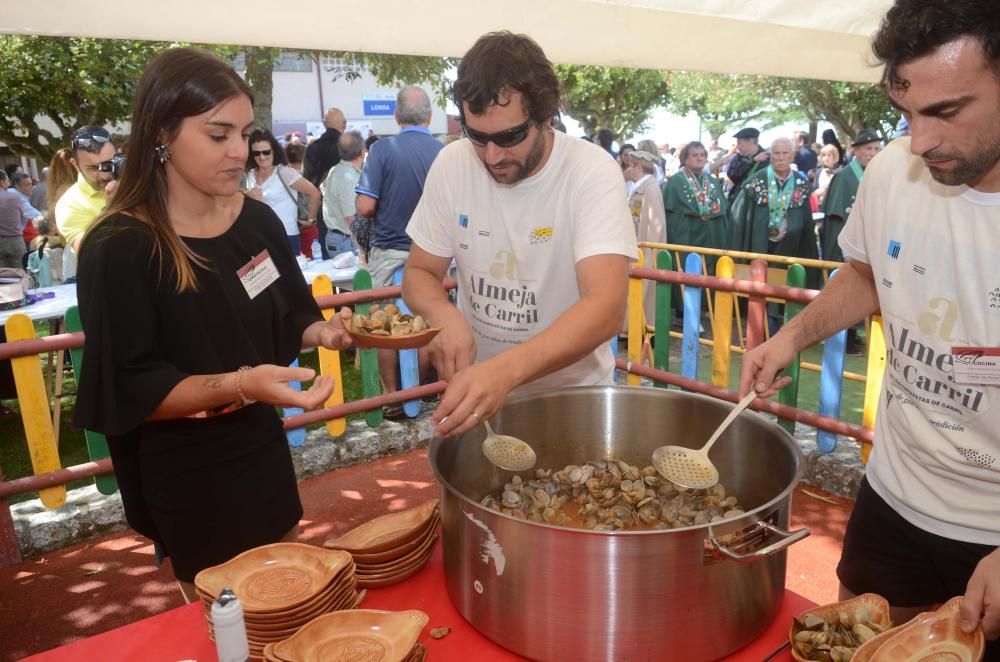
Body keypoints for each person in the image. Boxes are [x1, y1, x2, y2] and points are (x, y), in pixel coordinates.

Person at [739, 1, 1000, 655]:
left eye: (945, 112)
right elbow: (863, 275)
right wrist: (790, 337)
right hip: (894, 499)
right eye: (907, 113)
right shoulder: (894, 171)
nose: (919, 142)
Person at [72, 47, 353, 601]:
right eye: (218, 135)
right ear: (162, 135)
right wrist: (244, 383)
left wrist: (325, 332)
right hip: (184, 470)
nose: (240, 153)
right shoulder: (120, 247)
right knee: (226, 622)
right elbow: (135, 386)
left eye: (245, 135)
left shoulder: (257, 220)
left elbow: (290, 310)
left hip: (260, 445)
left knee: (288, 598)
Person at [402, 31, 637, 437]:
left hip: (575, 402)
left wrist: (505, 372)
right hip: (483, 403)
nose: (492, 156)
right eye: (477, 136)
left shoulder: (590, 171)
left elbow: (606, 307)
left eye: (509, 137)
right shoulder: (451, 164)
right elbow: (419, 272)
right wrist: (444, 316)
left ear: (545, 117)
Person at [355, 85, 443, 407]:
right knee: (426, 324)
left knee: (385, 327)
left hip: (390, 251)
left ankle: (392, 397)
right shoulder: (443, 151)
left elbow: (364, 206)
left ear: (396, 116)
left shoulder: (382, 149)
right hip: (434, 254)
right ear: (430, 116)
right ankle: (421, 392)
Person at [244, 128, 321, 257]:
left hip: (286, 236)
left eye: (266, 152)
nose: (262, 157)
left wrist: (311, 220)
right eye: (256, 153)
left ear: (274, 151)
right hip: (258, 237)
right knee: (263, 277)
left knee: (289, 276)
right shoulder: (249, 175)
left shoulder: (284, 172)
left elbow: (314, 193)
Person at [55, 126, 118, 282]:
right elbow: (92, 254)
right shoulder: (69, 204)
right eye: (93, 168)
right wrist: (112, 208)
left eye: (109, 164)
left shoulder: (141, 184)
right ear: (75, 165)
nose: (104, 174)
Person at [662, 141, 730, 277]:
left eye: (702, 155)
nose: (699, 158)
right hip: (687, 236)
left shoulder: (713, 181)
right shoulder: (675, 181)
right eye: (695, 155)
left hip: (711, 240)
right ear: (685, 159)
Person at [820, 129, 881, 263]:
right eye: (868, 148)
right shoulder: (843, 177)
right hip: (848, 251)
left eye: (877, 148)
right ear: (856, 150)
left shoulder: (878, 174)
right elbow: (837, 221)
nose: (873, 153)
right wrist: (845, 252)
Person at [623, 150, 666, 327]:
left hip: (645, 249)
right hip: (636, 247)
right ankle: (632, 325)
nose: (628, 170)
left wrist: (651, 252)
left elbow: (657, 225)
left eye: (631, 166)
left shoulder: (650, 189)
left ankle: (642, 325)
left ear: (638, 167)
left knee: (645, 289)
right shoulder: (640, 188)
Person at [303, 107, 347, 259]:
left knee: (324, 254)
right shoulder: (347, 148)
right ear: (344, 124)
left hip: (321, 207)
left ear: (324, 124)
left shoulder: (312, 148)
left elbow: (307, 180)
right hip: (345, 207)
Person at [321, 130, 366, 258]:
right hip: (346, 240)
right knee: (353, 278)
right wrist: (363, 246)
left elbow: (323, 189)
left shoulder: (336, 169)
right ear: (362, 151)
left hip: (340, 238)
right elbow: (351, 217)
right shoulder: (349, 177)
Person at [724, 127, 770, 203]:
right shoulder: (738, 158)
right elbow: (732, 176)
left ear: (752, 142)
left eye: (739, 143)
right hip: (738, 200)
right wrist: (753, 161)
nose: (737, 146)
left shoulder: (767, 158)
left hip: (759, 201)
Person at [0, 171, 26, 268]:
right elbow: (23, 217)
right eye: (7, 180)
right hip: (15, 239)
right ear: (2, 182)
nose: (9, 183)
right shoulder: (14, 196)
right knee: (21, 273)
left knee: (1, 278)